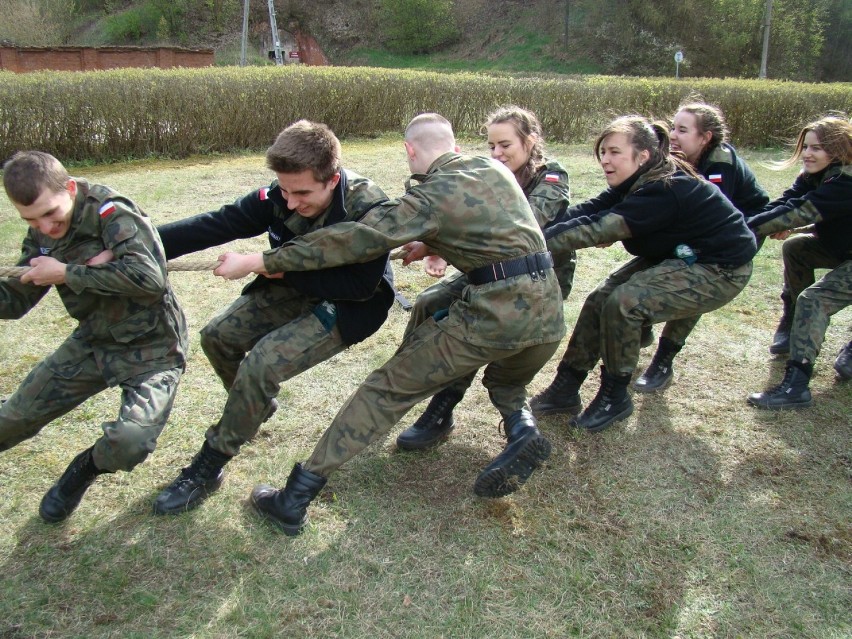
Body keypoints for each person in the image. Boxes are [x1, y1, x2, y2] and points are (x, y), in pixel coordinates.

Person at [212, 113, 565, 535]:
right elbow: (491, 229)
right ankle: (519, 430)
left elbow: (352, 238)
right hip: (549, 310)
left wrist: (261, 261)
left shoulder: (430, 196)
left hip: (497, 314)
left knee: (384, 391)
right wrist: (431, 239)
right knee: (505, 382)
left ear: (410, 150)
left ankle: (294, 498)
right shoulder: (490, 168)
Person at [150, 120, 396, 515]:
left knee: (262, 365)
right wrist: (136, 246)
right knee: (217, 336)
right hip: (293, 287)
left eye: (302, 193)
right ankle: (255, 407)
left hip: (350, 304)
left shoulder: (370, 209)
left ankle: (209, 465)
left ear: (332, 179)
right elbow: (218, 223)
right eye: (284, 190)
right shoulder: (279, 196)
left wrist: (276, 269)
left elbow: (358, 285)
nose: (291, 202)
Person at [533, 115, 757, 433]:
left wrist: (526, 246)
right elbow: (587, 212)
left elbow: (597, 228)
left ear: (643, 156)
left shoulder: (666, 187)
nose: (605, 160)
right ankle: (566, 387)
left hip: (721, 268)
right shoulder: (638, 181)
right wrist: (530, 230)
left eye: (614, 152)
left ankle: (615, 397)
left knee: (625, 302)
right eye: (603, 152)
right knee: (600, 299)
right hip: (681, 255)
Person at [0, 151, 188, 522]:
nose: (45, 227)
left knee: (129, 443)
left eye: (51, 213)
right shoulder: (41, 233)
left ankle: (84, 469)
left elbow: (150, 281)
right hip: (93, 342)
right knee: (12, 418)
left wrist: (68, 273)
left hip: (153, 349)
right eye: (31, 219)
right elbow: (16, 300)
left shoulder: (112, 212)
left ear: (69, 188)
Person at [395, 105, 574, 450]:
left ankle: (453, 412)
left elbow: (522, 225)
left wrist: (442, 244)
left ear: (531, 140)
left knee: (471, 330)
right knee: (430, 302)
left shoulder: (552, 177)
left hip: (536, 282)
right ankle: (425, 392)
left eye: (505, 145)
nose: (496, 153)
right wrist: (431, 242)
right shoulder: (489, 172)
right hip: (488, 274)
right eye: (491, 145)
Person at [632, 100, 770, 393]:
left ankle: (663, 360)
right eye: (673, 127)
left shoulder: (719, 162)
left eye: (683, 129)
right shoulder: (683, 159)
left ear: (704, 137)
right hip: (703, 233)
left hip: (735, 239)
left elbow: (713, 213)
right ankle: (642, 322)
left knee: (694, 283)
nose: (674, 134)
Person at [747, 115, 852, 408]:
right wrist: (744, 223)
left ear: (839, 150)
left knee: (815, 299)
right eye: (806, 146)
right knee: (796, 248)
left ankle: (796, 387)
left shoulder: (845, 180)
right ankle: (792, 325)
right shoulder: (814, 176)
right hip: (843, 248)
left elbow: (801, 212)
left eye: (817, 148)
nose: (807, 153)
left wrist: (742, 230)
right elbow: (785, 204)